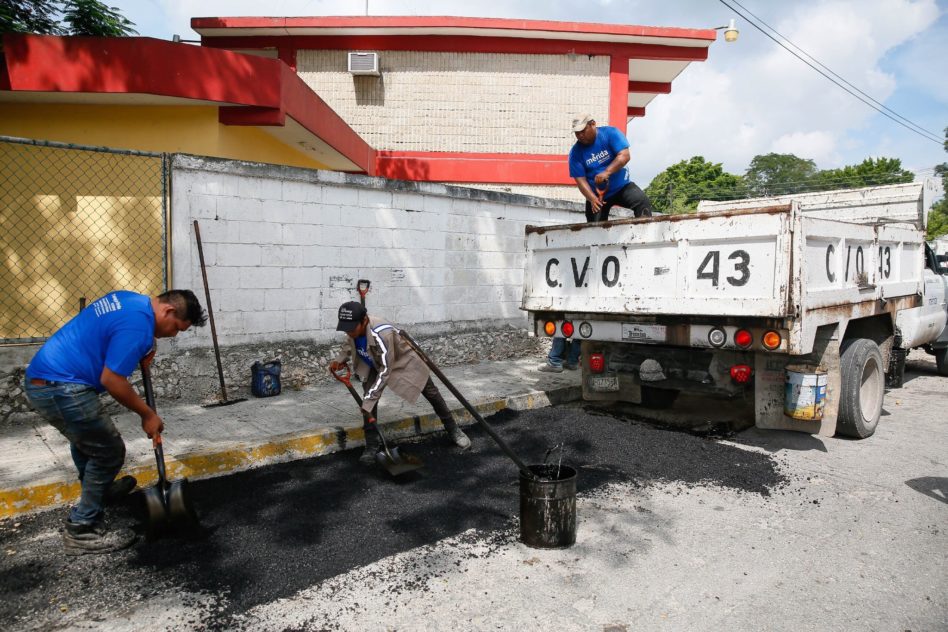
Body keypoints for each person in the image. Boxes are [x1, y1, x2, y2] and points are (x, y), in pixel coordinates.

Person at [24, 290, 206, 555]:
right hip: (60, 386)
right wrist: (148, 414)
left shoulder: (131, 301)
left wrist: (142, 348)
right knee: (108, 451)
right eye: (177, 328)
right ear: (168, 312)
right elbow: (112, 380)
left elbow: (110, 335)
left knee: (87, 440)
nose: (174, 335)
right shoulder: (138, 328)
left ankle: (102, 490)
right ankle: (81, 529)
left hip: (48, 377)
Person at [329, 301, 471, 465]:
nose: (349, 332)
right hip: (375, 361)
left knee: (431, 392)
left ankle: (453, 429)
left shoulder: (382, 335)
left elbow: (386, 370)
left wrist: (369, 399)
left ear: (364, 321)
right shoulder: (354, 330)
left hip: (402, 361)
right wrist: (340, 359)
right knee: (369, 400)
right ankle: (372, 445)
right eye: (347, 329)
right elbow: (350, 343)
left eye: (352, 329)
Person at [568, 113, 655, 222]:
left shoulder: (610, 133)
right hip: (597, 195)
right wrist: (592, 199)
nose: (580, 135)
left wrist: (606, 172)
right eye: (577, 133)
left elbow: (625, 155)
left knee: (642, 201)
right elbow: (580, 180)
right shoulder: (575, 153)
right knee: (593, 228)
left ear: (593, 124)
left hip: (622, 187)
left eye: (583, 131)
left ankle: (644, 234)